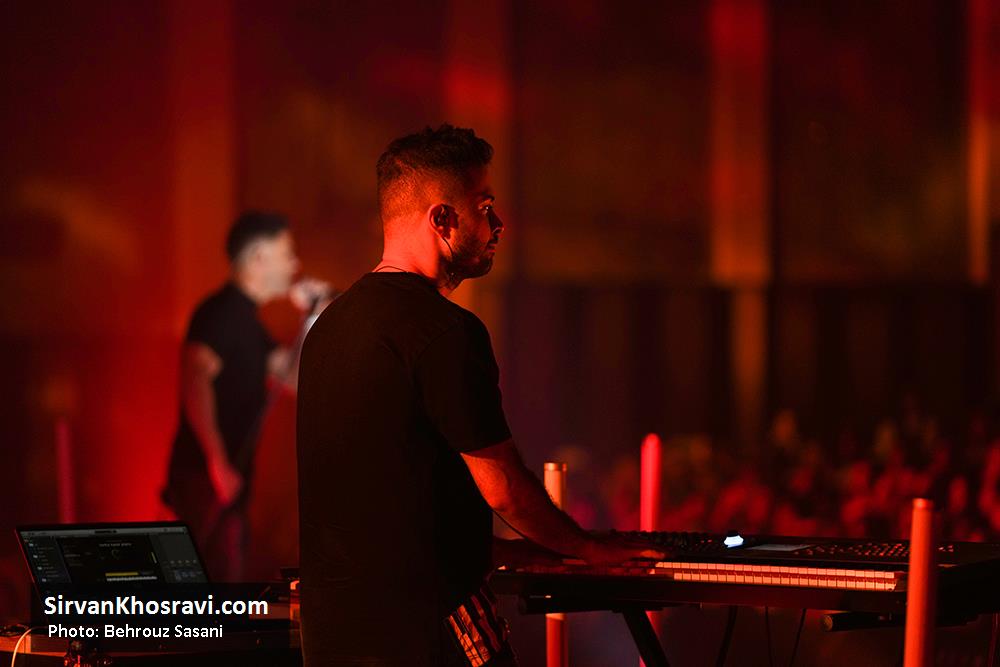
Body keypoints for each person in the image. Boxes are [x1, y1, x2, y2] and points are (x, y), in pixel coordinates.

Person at [297, 125, 663, 666]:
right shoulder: (446, 332)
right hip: (430, 631)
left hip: (332, 638)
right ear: (442, 219)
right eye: (484, 207)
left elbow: (376, 511)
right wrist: (590, 548)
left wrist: (511, 551)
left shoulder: (328, 329)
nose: (498, 225)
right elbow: (504, 490)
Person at [163, 211, 328, 581]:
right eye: (287, 254)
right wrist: (217, 462)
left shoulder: (250, 325)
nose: (295, 265)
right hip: (206, 481)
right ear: (259, 258)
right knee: (210, 585)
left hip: (224, 482)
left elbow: (295, 378)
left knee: (224, 577)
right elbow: (195, 381)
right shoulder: (221, 313)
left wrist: (313, 317)